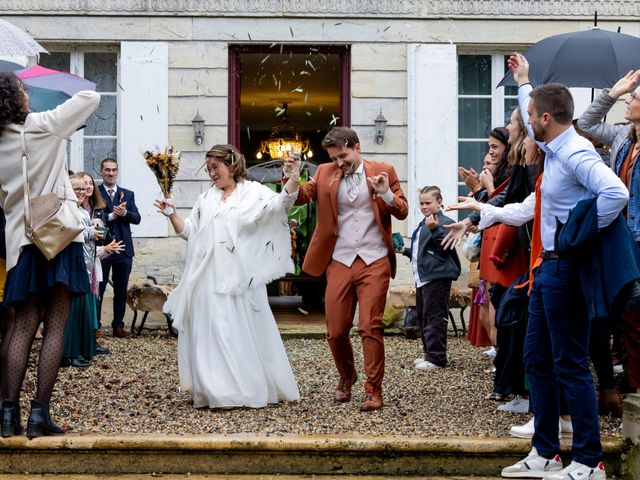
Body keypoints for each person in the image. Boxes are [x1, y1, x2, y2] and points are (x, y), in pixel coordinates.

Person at [445, 53, 627, 480]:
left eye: (530, 116)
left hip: (566, 269)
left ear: (546, 118)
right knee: (537, 360)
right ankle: (545, 452)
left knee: (569, 363)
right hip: (546, 270)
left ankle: (589, 460)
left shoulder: (578, 153)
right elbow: (531, 205)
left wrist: (576, 235)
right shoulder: (553, 148)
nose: (526, 125)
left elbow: (615, 195)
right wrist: (483, 210)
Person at [157, 144, 300, 409]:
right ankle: (216, 390)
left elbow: (281, 205)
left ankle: (244, 387)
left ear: (232, 165)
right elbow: (190, 232)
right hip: (207, 276)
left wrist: (293, 179)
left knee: (236, 331)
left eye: (216, 167)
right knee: (211, 331)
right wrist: (172, 214)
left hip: (240, 278)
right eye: (209, 169)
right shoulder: (205, 199)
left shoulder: (254, 193)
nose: (212, 173)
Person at [0, 72, 99, 438]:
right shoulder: (44, 125)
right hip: (60, 238)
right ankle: (39, 415)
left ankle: (7, 415)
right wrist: (42, 112)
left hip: (22, 244)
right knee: (55, 326)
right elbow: (90, 98)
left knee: (22, 325)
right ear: (18, 97)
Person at [289, 126, 408, 411]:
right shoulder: (325, 172)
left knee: (370, 326)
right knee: (336, 329)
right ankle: (346, 375)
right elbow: (301, 196)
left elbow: (402, 209)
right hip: (340, 258)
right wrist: (294, 175)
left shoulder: (384, 170)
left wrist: (386, 196)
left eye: (343, 156)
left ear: (357, 147)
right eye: (334, 158)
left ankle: (373, 389)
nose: (339, 163)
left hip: (374, 258)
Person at [577, 69, 640, 397]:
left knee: (636, 315)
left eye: (634, 97)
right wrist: (613, 93)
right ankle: (628, 384)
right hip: (620, 239)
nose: (630, 100)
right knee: (623, 313)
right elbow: (585, 124)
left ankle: (634, 386)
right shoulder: (621, 137)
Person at [62, 175, 123, 368]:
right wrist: (90, 231)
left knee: (82, 312)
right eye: (76, 189)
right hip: (71, 267)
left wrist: (94, 227)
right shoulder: (65, 208)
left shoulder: (82, 210)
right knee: (72, 313)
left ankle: (80, 350)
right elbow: (65, 231)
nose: (81, 193)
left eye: (83, 189)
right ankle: (68, 353)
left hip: (86, 267)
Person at [398, 186, 461, 370]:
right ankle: (429, 354)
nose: (424, 207)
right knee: (423, 317)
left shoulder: (445, 222)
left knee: (435, 317)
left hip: (438, 278)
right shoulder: (424, 223)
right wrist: (405, 251)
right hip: (423, 277)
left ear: (439, 201)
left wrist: (434, 229)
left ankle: (437, 358)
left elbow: (445, 248)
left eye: (428, 203)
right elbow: (424, 252)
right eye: (421, 203)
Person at [97, 158, 141, 338]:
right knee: (98, 288)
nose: (111, 173)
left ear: (117, 172)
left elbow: (137, 218)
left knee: (121, 289)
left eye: (114, 170)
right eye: (107, 170)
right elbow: (95, 217)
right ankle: (95, 325)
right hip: (104, 247)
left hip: (123, 248)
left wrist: (125, 213)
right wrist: (112, 216)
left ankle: (118, 325)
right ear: (101, 172)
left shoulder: (127, 194)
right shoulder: (96, 193)